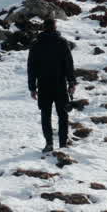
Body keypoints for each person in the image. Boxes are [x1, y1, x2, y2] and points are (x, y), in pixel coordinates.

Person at [27, 18, 76, 153]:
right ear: (55, 27)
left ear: (43, 28)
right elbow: (68, 64)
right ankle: (62, 144)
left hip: (43, 85)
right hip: (60, 84)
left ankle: (49, 143)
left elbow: (31, 67)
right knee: (63, 115)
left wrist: (32, 87)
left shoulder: (36, 44)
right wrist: (71, 82)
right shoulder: (61, 42)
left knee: (45, 115)